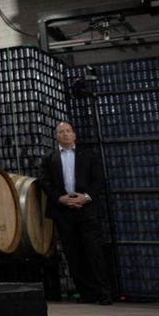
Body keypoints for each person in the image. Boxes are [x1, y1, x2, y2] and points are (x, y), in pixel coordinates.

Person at [38, 121, 112, 305]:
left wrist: (85, 197)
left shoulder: (88, 155)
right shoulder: (49, 158)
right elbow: (44, 182)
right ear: (56, 136)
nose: (65, 134)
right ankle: (86, 294)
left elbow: (99, 180)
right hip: (63, 212)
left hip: (87, 210)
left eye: (68, 131)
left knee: (94, 253)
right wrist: (60, 198)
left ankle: (104, 294)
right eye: (61, 132)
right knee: (73, 256)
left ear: (74, 135)